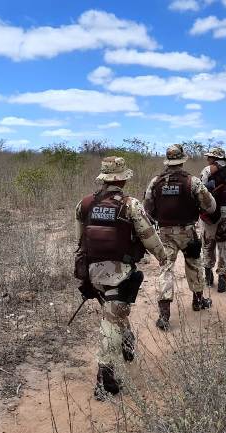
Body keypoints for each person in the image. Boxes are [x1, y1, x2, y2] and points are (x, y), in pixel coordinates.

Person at [74, 156, 167, 401]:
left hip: (93, 273)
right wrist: (162, 256)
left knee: (114, 312)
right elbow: (148, 235)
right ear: (123, 178)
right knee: (111, 322)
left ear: (103, 178)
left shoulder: (84, 204)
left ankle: (127, 343)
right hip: (120, 273)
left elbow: (81, 241)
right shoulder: (131, 205)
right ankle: (104, 380)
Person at [144, 144, 216, 330]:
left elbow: (147, 208)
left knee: (165, 269)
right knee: (194, 264)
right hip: (188, 231)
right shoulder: (192, 182)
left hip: (165, 233)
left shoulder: (155, 182)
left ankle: (164, 316)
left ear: (168, 161)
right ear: (182, 160)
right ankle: (198, 301)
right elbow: (210, 206)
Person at [200, 147, 226, 293]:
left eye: (209, 157)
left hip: (211, 212)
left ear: (214, 158)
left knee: (208, 243)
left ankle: (208, 275)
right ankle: (222, 277)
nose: (207, 159)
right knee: (223, 244)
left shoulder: (207, 170)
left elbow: (200, 190)